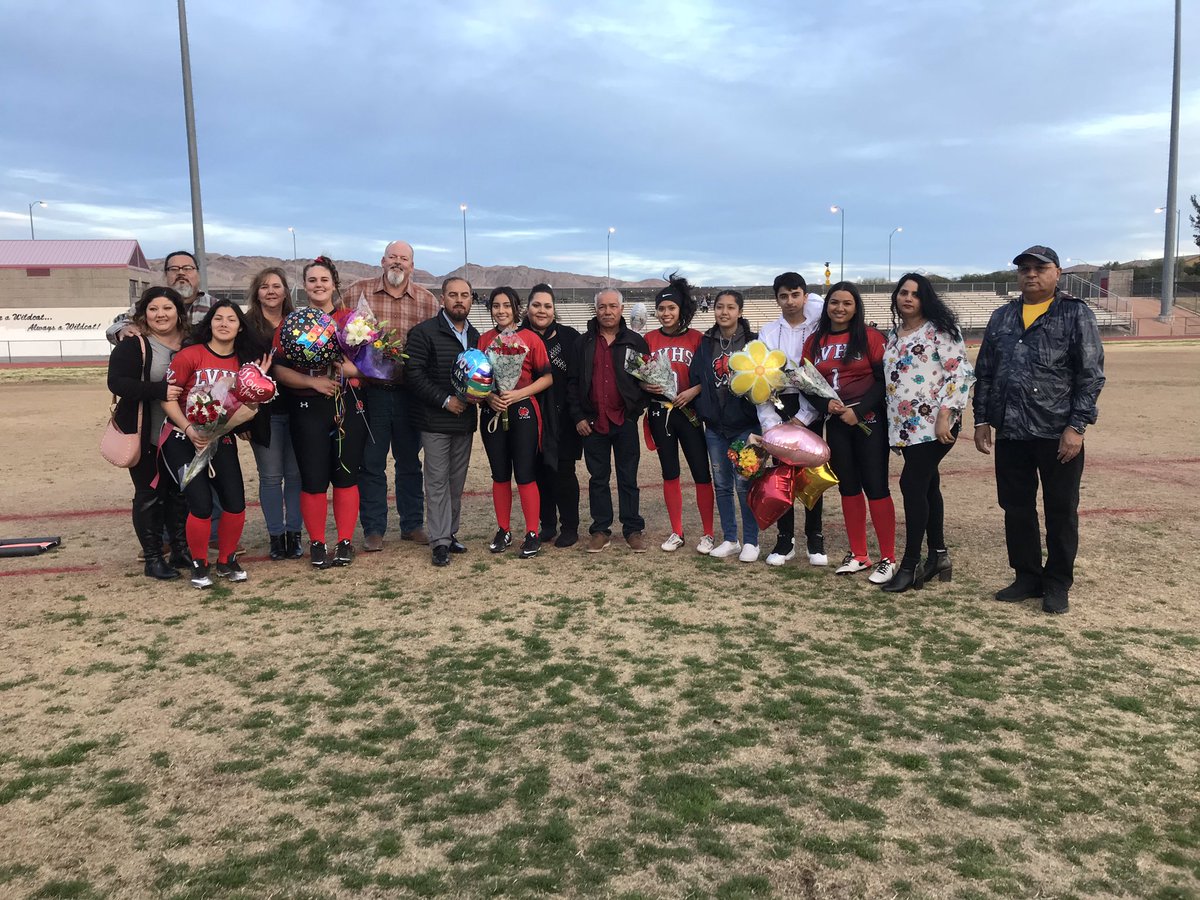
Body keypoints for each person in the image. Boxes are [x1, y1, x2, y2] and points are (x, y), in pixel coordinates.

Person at [973, 246, 1105, 614]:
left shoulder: (1075, 313)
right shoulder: (1002, 316)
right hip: (1011, 430)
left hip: (1056, 431)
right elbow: (985, 372)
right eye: (1024, 269)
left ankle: (1058, 582)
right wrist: (982, 419)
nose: (1031, 274)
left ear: (1057, 273)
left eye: (1039, 268)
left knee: (1061, 509)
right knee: (1016, 507)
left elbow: (1090, 375)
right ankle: (1027, 576)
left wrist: (1076, 427)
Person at [340, 241, 440, 551]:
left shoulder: (427, 301)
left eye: (404, 258)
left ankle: (412, 524)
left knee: (409, 461)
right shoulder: (357, 292)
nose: (398, 262)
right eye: (392, 257)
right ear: (383, 261)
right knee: (371, 463)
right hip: (371, 394)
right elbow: (339, 334)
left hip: (410, 394)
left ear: (412, 265)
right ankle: (374, 528)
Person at [271, 256, 368, 569]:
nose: (318, 285)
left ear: (334, 284)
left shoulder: (352, 321)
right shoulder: (292, 323)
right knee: (312, 478)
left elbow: (373, 367)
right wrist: (312, 382)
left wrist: (351, 370)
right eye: (312, 280)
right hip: (307, 406)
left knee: (345, 476)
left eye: (324, 280)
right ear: (304, 285)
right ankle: (316, 542)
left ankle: (344, 541)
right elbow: (278, 369)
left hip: (346, 405)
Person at [880, 273, 974, 593]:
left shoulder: (940, 330)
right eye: (903, 292)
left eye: (916, 294)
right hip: (906, 426)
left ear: (926, 299)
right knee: (928, 484)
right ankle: (939, 556)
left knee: (911, 483)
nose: (908, 298)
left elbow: (960, 374)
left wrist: (946, 413)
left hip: (935, 424)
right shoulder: (893, 335)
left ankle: (910, 565)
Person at [161, 300, 265, 588]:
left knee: (235, 502)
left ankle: (226, 560)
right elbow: (167, 399)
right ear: (210, 322)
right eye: (218, 318)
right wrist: (189, 428)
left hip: (221, 437)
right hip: (183, 438)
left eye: (231, 319)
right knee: (201, 504)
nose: (224, 324)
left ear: (240, 327)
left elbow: (248, 405)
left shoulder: (243, 364)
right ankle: (199, 563)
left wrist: (259, 387)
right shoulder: (189, 355)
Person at [802, 282, 897, 584]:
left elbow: (884, 381)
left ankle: (888, 557)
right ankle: (859, 554)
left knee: (876, 487)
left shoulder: (870, 337)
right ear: (826, 305)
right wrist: (825, 405)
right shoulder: (815, 341)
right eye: (834, 302)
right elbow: (808, 383)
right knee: (848, 487)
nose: (839, 308)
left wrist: (860, 410)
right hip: (837, 422)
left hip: (869, 421)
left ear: (856, 307)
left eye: (847, 303)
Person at [106, 286, 190, 580]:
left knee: (180, 493)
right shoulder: (134, 344)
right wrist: (158, 390)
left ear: (178, 312)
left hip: (183, 434)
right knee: (150, 495)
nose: (160, 314)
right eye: (153, 309)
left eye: (167, 308)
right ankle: (153, 557)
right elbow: (117, 383)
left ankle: (180, 549)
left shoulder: (192, 342)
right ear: (144, 314)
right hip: (146, 435)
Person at [567, 288, 651, 553]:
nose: (607, 311)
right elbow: (572, 383)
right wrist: (579, 416)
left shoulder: (635, 342)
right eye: (602, 307)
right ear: (596, 310)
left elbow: (645, 381)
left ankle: (632, 529)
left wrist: (633, 413)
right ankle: (601, 530)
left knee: (628, 478)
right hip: (593, 424)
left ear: (621, 309)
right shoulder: (582, 343)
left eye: (613, 306)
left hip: (623, 421)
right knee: (598, 479)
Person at [405, 277, 481, 567]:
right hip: (435, 420)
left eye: (464, 295)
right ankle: (439, 541)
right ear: (442, 298)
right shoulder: (423, 332)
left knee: (455, 482)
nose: (459, 300)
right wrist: (445, 400)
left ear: (471, 299)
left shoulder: (476, 336)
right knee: (436, 481)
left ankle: (450, 533)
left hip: (464, 420)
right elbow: (414, 374)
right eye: (453, 295)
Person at [756, 272, 827, 566]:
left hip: (811, 403)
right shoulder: (768, 332)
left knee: (812, 473)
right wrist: (770, 423)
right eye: (783, 296)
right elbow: (758, 378)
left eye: (795, 295)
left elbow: (819, 376)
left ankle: (815, 537)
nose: (790, 301)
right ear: (777, 300)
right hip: (778, 405)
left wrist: (805, 416)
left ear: (805, 296)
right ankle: (785, 540)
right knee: (781, 475)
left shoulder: (818, 329)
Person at [478, 287, 554, 558]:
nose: (501, 311)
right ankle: (503, 529)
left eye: (506, 306)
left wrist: (518, 393)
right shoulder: (484, 339)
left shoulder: (531, 338)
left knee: (524, 473)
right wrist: (489, 398)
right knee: (499, 474)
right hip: (493, 411)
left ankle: (532, 532)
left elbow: (547, 377)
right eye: (496, 306)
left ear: (516, 309)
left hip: (523, 410)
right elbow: (476, 379)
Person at [642, 274, 714, 553]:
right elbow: (639, 376)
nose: (666, 313)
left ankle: (708, 533)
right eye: (661, 309)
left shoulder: (698, 338)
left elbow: (707, 377)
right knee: (669, 472)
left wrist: (693, 391)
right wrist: (645, 385)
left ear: (681, 309)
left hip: (689, 412)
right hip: (661, 413)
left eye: (671, 308)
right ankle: (677, 531)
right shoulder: (649, 339)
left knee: (701, 472)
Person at [689, 290, 761, 560]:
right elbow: (697, 377)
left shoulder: (753, 342)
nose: (724, 312)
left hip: (745, 425)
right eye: (720, 306)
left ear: (740, 312)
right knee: (721, 485)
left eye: (731, 307)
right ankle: (731, 538)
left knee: (745, 483)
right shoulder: (706, 342)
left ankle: (752, 541)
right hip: (715, 427)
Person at [243, 267, 303, 561]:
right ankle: (276, 537)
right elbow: (237, 370)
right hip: (263, 414)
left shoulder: (297, 322)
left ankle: (294, 534)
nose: (271, 291)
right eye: (264, 286)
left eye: (276, 286)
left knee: (295, 476)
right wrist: (242, 416)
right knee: (270, 477)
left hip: (298, 408)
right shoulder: (245, 326)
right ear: (257, 292)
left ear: (285, 292)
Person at [521, 284, 582, 548]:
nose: (542, 310)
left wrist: (578, 413)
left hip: (564, 418)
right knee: (538, 472)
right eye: (536, 305)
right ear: (527, 308)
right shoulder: (516, 338)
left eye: (547, 306)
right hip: (530, 417)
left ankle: (569, 527)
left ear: (554, 309)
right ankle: (547, 524)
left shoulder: (570, 337)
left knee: (563, 473)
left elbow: (577, 379)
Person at [108, 250, 214, 343]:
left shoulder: (214, 306)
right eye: (174, 269)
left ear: (198, 274)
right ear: (165, 275)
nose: (181, 273)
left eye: (187, 268)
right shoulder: (145, 305)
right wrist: (122, 331)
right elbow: (115, 328)